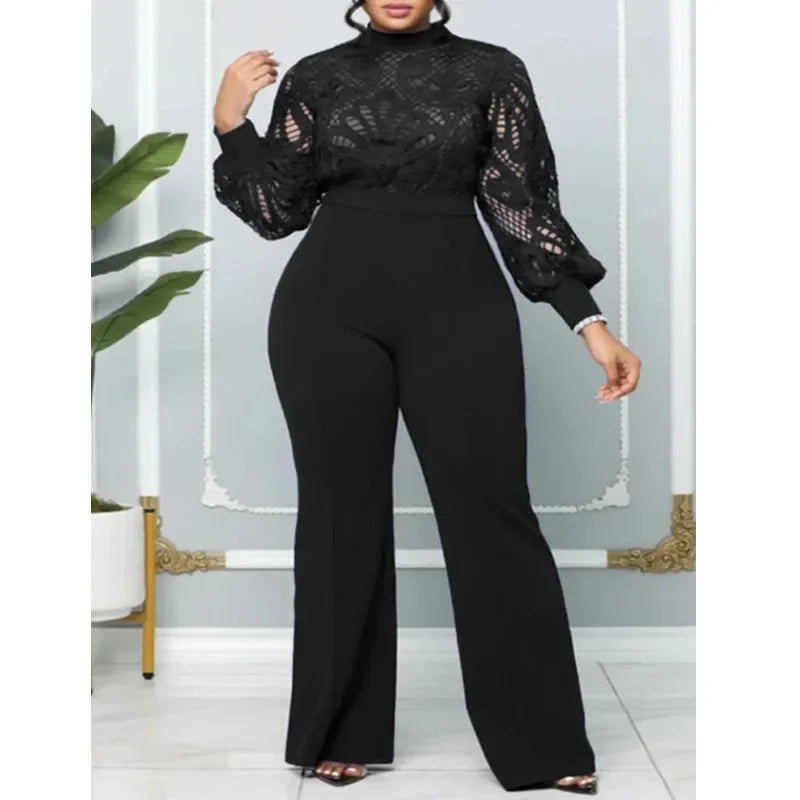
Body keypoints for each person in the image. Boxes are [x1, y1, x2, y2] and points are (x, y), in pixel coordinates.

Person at [211, 0, 641, 793]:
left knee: (492, 514)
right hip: (326, 314)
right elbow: (277, 212)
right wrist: (232, 124)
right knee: (340, 519)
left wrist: (590, 323)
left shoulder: (491, 71)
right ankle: (340, 731)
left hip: (460, 312)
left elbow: (521, 205)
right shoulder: (317, 77)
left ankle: (543, 745)